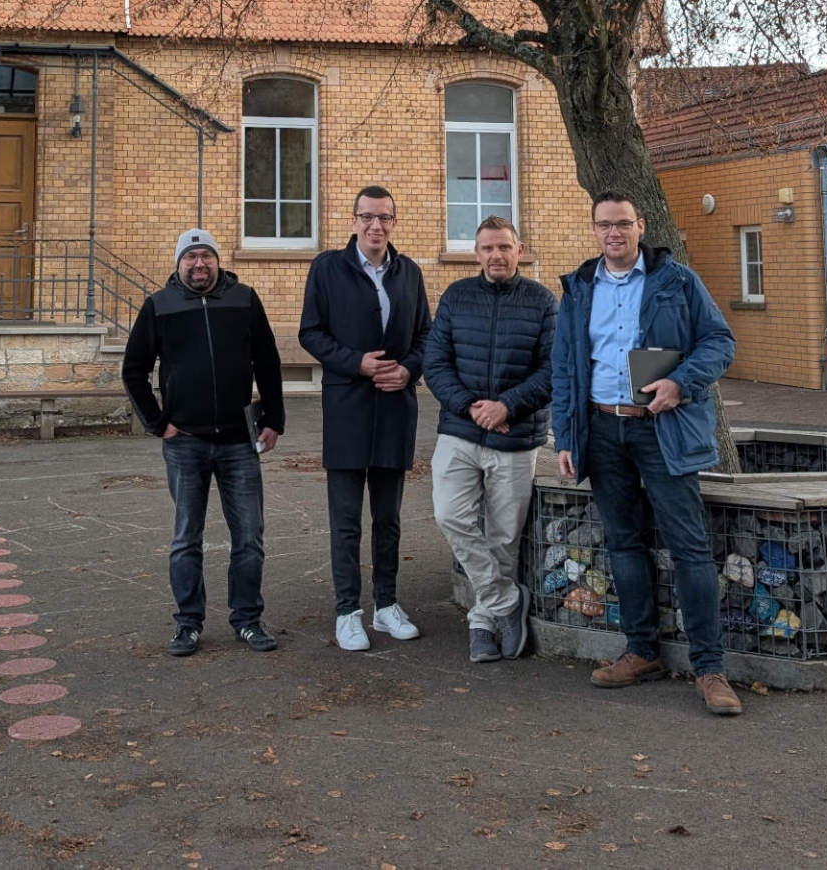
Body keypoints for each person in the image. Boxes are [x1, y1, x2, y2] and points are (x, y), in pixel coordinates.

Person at [550, 191, 742, 715]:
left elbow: (720, 342)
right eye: (603, 225)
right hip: (600, 428)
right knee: (624, 544)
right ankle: (640, 652)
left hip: (661, 429)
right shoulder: (579, 287)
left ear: (640, 227)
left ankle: (709, 669)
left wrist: (680, 382)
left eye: (623, 224)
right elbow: (565, 366)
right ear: (594, 230)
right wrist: (565, 436)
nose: (613, 233)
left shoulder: (676, 281)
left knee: (689, 547)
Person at [122, 228, 285, 657]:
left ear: (217, 261)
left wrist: (274, 419)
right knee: (185, 539)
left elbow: (267, 360)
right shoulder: (160, 305)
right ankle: (188, 624)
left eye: (206, 257)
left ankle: (247, 619)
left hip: (238, 442)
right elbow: (133, 370)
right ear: (179, 264)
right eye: (191, 257)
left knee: (249, 536)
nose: (199, 264)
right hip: (185, 442)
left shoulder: (244, 299)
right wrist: (159, 423)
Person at [299, 185, 432, 651]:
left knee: (389, 518)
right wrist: (356, 362)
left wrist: (408, 369)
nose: (376, 226)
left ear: (394, 222)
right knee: (346, 521)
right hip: (348, 410)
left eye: (385, 218)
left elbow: (425, 336)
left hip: (395, 408)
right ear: (354, 221)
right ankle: (347, 611)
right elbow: (310, 332)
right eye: (368, 217)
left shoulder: (409, 272)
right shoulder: (328, 269)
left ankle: (387, 605)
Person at [423, 215, 558, 663]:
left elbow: (553, 370)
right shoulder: (457, 297)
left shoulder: (542, 301)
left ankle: (482, 623)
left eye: (504, 247)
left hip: (517, 437)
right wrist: (472, 408)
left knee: (503, 538)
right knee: (450, 515)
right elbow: (436, 363)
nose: (496, 255)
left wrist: (508, 407)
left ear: (520, 251)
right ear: (475, 253)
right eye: (487, 248)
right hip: (460, 432)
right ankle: (505, 602)